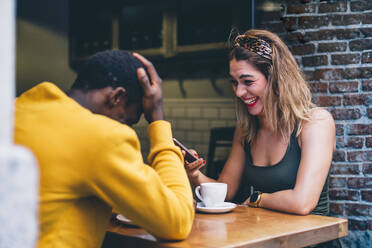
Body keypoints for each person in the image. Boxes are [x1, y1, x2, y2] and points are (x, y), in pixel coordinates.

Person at [14, 50, 194, 248]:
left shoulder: (18, 108)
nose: (125, 128)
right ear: (117, 97)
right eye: (128, 121)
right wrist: (158, 119)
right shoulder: (102, 136)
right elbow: (177, 221)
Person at [185, 29, 335, 216]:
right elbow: (226, 192)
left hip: (310, 241)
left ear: (275, 79)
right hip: (268, 237)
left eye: (247, 82)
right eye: (234, 82)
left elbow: (302, 203)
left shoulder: (315, 123)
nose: (239, 92)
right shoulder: (246, 129)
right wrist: (194, 175)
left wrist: (257, 198)